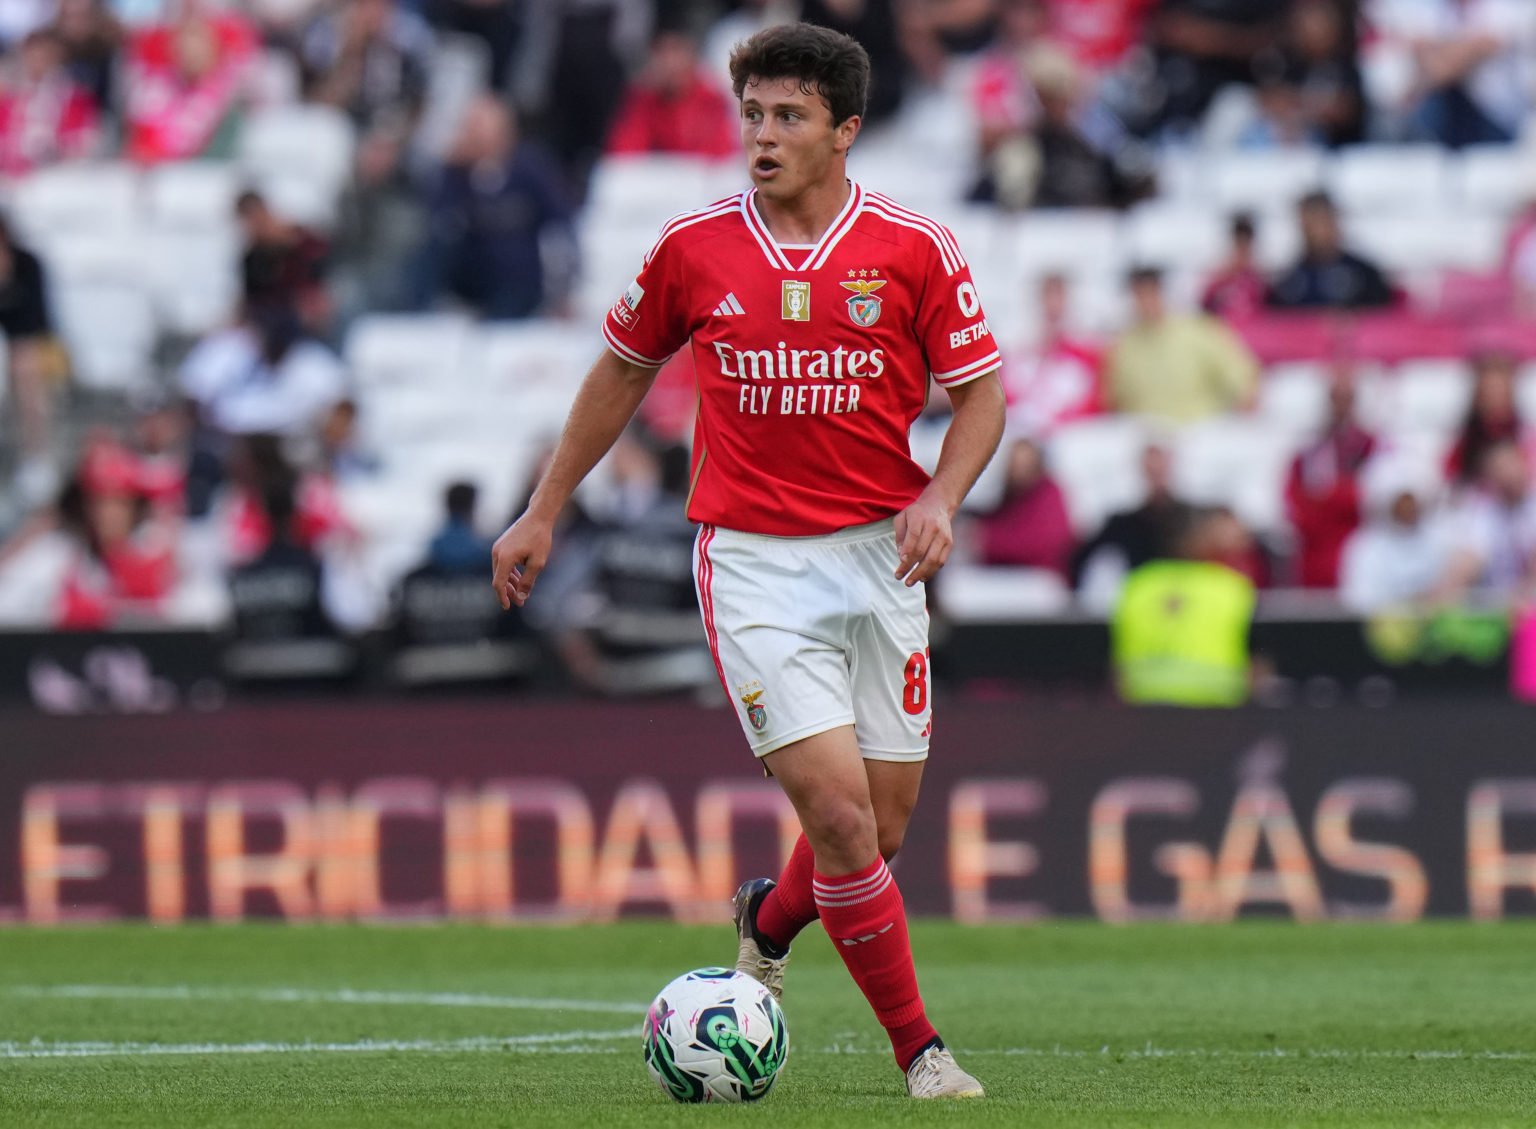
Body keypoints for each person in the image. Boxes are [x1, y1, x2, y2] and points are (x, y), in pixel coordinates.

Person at [490, 23, 1003, 1100]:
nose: (762, 138)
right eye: (753, 116)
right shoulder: (694, 248)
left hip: (882, 560)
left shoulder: (913, 248)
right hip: (757, 566)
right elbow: (621, 373)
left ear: (845, 131)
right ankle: (924, 1052)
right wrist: (543, 510)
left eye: (789, 118)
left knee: (885, 824)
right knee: (845, 819)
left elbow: (982, 397)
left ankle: (768, 920)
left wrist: (940, 496)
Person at [413, 95, 576, 320]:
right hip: (470, 272)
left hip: (519, 275)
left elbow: (559, 221)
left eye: (480, 126)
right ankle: (418, 314)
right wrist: (454, 169)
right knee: (430, 250)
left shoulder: (530, 167)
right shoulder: (456, 172)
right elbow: (439, 220)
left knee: (514, 273)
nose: (473, 133)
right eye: (470, 126)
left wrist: (562, 290)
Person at [1106, 265, 1259, 425]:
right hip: (1149, 433)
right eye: (1139, 295)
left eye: (1151, 293)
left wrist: (1245, 395)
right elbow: (1116, 399)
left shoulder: (1199, 329)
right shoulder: (1124, 344)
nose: (1146, 302)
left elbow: (1238, 372)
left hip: (1201, 426)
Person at [1284, 364, 1375, 588]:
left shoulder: (1372, 445)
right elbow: (1296, 501)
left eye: (1348, 398)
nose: (1342, 405)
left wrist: (1331, 495)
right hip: (1318, 547)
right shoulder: (1308, 450)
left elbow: (1374, 497)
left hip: (1362, 542)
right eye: (1337, 398)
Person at [605, 29, 737, 159]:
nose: (670, 63)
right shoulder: (643, 98)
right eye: (662, 54)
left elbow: (722, 156)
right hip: (656, 177)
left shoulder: (711, 99)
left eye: (676, 51)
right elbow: (623, 152)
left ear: (691, 56)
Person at [1001, 273, 1102, 436]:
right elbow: (1008, 396)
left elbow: (1093, 402)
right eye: (1048, 296)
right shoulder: (1019, 351)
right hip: (1024, 433)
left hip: (1069, 434)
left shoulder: (1087, 353)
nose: (1053, 305)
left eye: (1058, 296)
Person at [1267, 191, 1394, 311]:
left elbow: (1386, 320)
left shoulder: (1366, 275)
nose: (1317, 232)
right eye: (1309, 224)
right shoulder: (1288, 282)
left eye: (1321, 221)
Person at [0, 28, 100, 177]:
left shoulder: (73, 96)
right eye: (33, 55)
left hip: (57, 176)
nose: (38, 61)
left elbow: (82, 140)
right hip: (11, 177)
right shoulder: (11, 96)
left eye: (45, 55)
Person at [972, 435, 1075, 576]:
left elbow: (1045, 542)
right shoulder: (1006, 494)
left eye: (1025, 465)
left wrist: (988, 541)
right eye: (1015, 465)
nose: (1019, 471)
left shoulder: (1049, 493)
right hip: (1001, 574)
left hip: (1040, 578)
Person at [1200, 213, 1266, 319]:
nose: (1242, 252)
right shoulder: (1219, 280)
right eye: (1239, 245)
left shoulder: (1260, 280)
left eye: (1246, 246)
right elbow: (1204, 307)